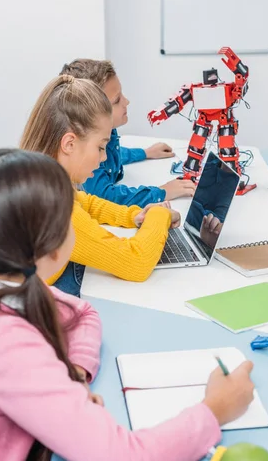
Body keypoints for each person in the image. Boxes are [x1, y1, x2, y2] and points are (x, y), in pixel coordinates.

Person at [0, 149, 255, 461]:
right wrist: (215, 410)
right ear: (53, 247)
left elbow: (81, 312)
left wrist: (72, 376)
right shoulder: (4, 345)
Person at [19, 75, 181, 297]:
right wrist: (160, 215)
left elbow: (85, 201)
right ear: (69, 144)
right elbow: (136, 262)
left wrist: (133, 216)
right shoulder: (57, 211)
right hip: (32, 307)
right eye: (100, 147)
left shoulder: (38, 179)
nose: (104, 159)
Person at [60, 58, 196, 206]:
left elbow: (114, 155)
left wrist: (146, 152)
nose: (127, 102)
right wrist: (162, 191)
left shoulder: (105, 136)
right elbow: (106, 196)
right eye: (117, 100)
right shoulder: (85, 158)